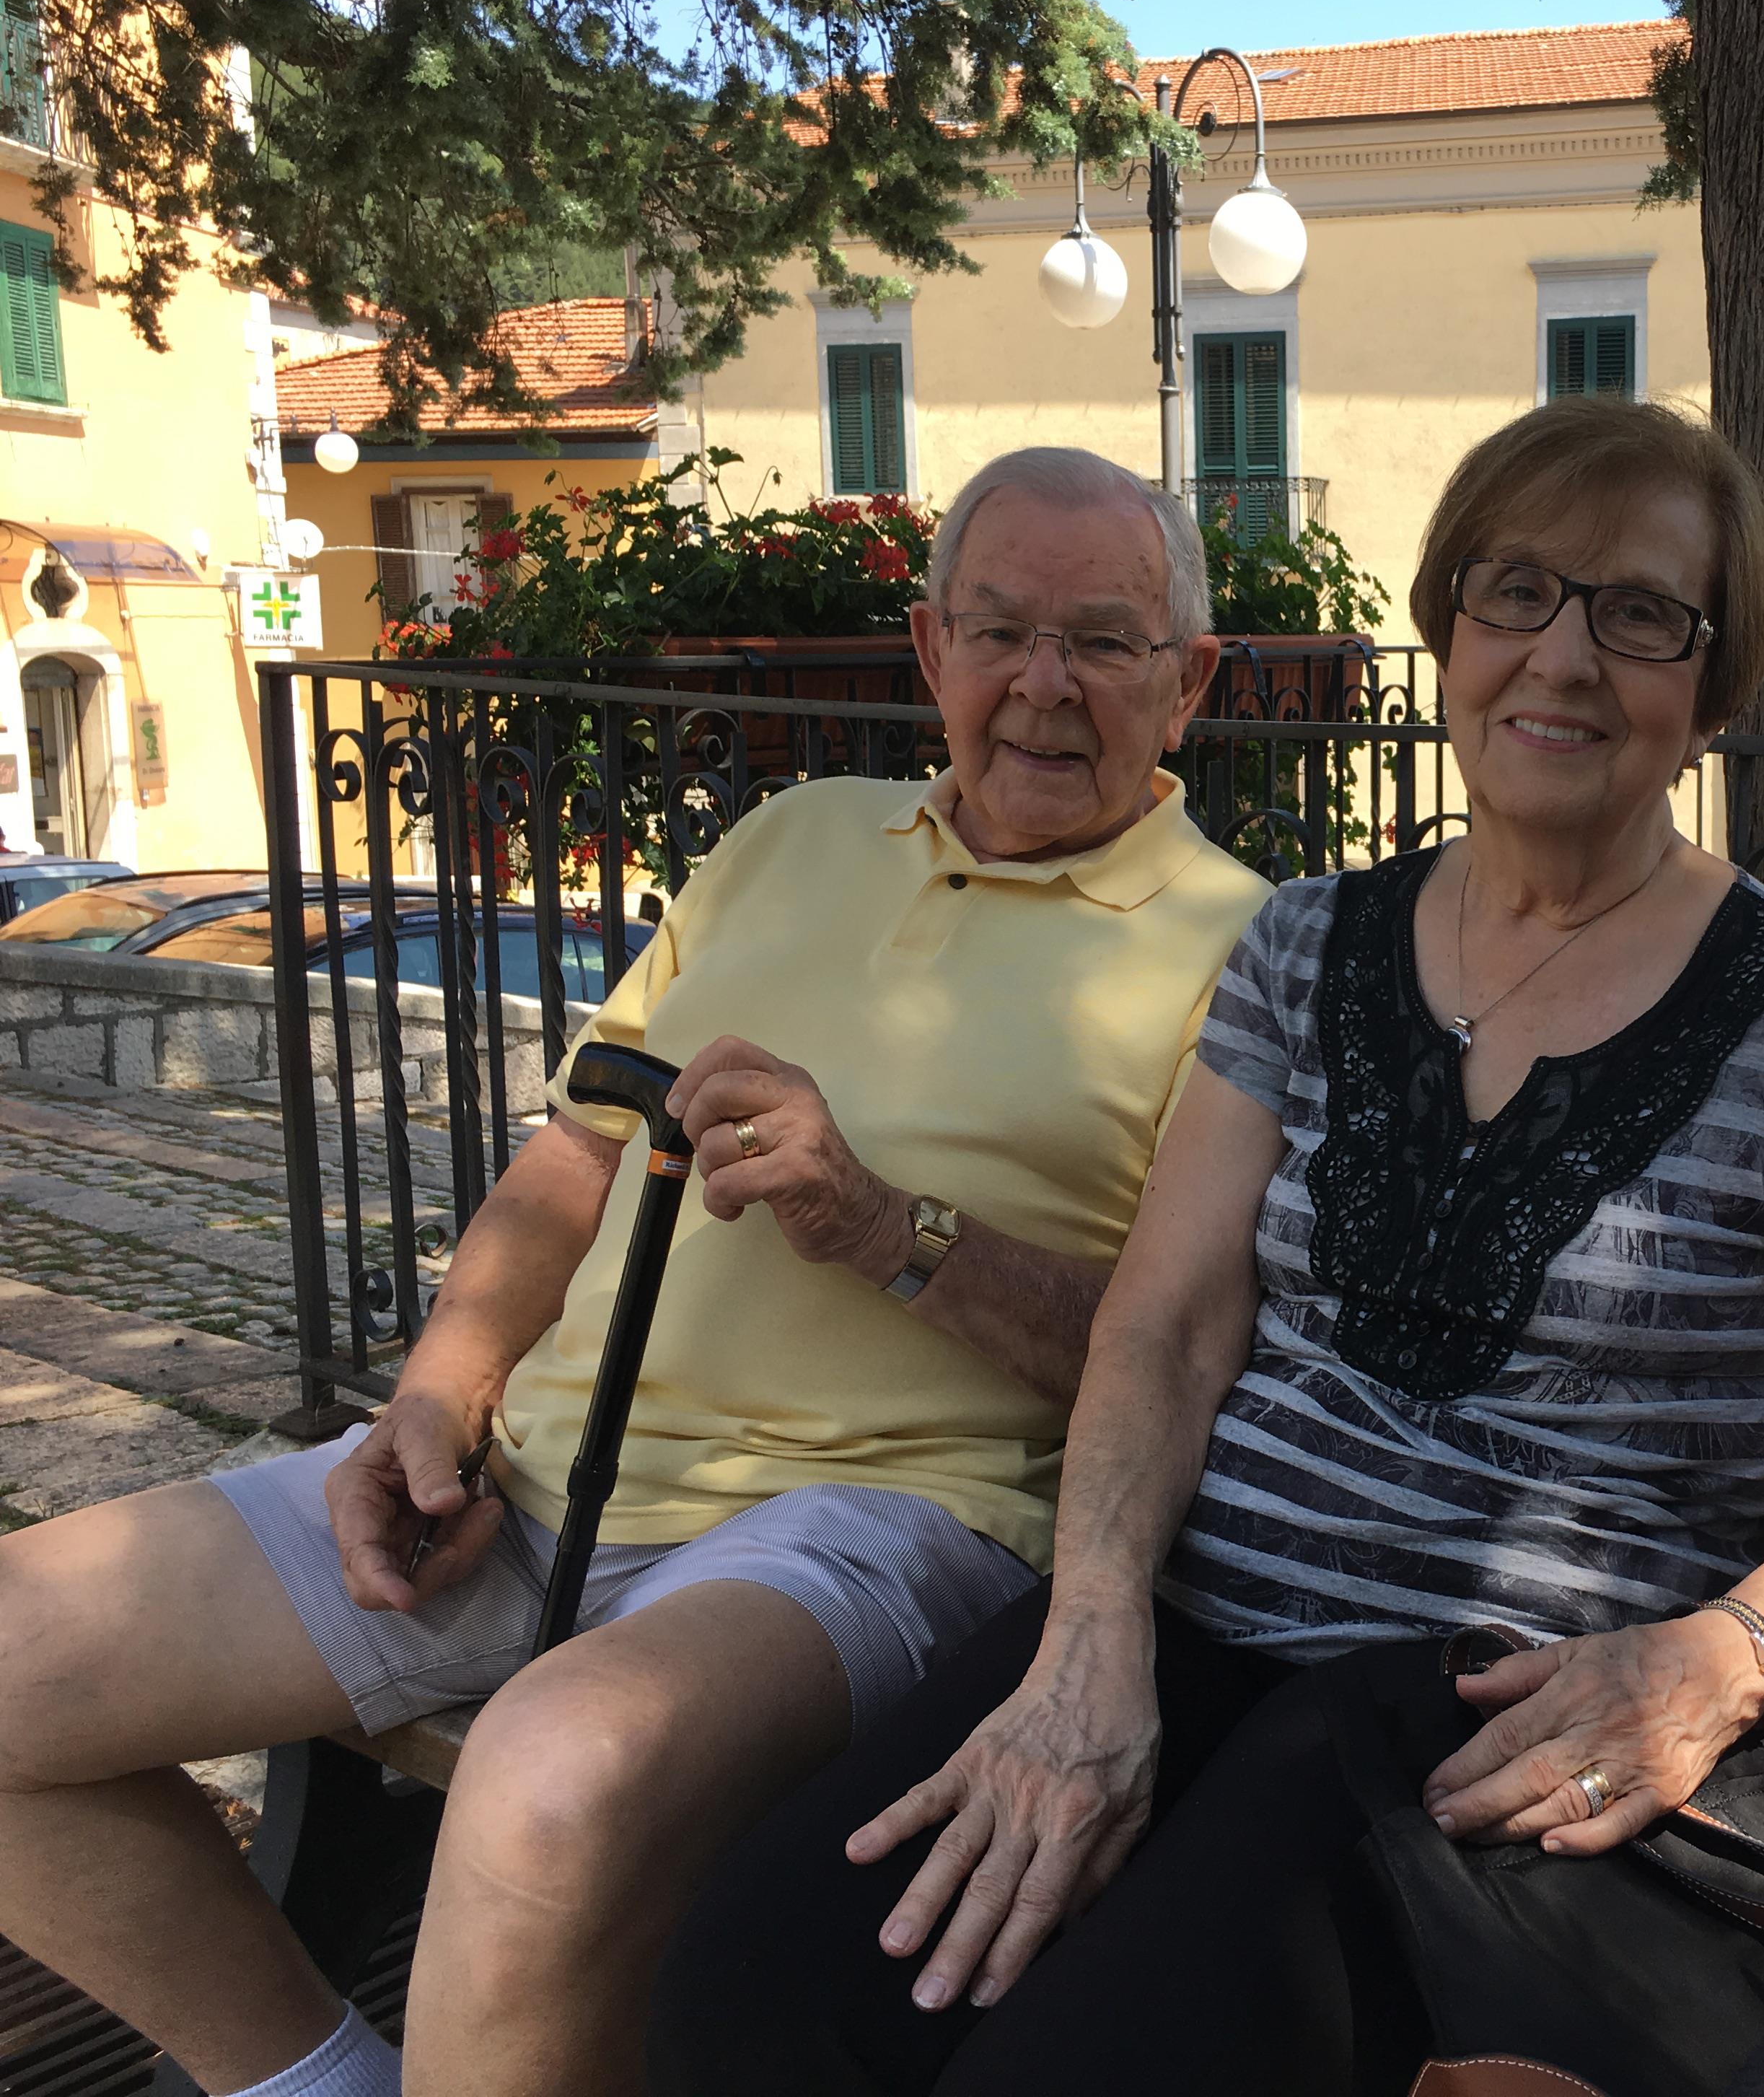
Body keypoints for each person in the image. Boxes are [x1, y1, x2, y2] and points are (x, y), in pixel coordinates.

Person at [646, 397, 1764, 2096]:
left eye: (1639, 614)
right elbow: (1168, 1325)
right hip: (1197, 1626)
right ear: (1450, 627)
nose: (1562, 656)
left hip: (1496, 1719)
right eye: (1516, 592)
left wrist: (1723, 1662)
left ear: (1715, 684)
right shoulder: (1310, 942)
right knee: (748, 1990)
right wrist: (1090, 1637)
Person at [0, 447, 1271, 2097]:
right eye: (1000, 631)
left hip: (878, 1524)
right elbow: (574, 1158)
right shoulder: (794, 836)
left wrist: (892, 1231)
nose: (1043, 684)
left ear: (1191, 682)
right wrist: (436, 1397)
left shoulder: (1252, 951)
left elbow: (1193, 1357)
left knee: (549, 1779)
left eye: (1101, 641)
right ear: (929, 649)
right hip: (535, 1480)